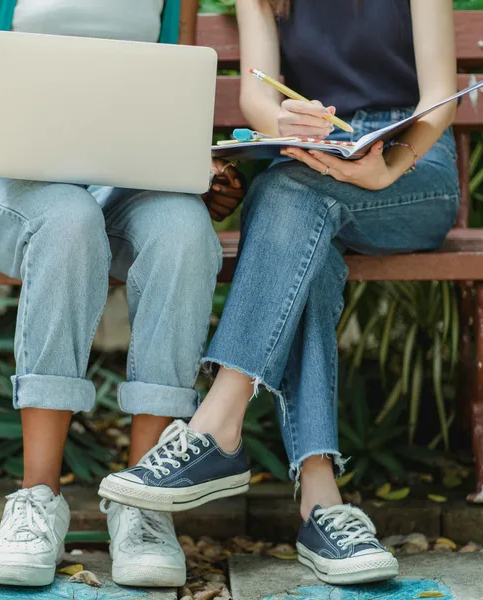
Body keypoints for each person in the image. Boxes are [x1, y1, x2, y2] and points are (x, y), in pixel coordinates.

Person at [100, 0, 460, 586]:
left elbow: (440, 97)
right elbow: (257, 96)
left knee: (287, 197)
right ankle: (322, 505)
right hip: (319, 155)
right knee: (299, 223)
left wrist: (387, 167)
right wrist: (283, 121)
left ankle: (217, 424)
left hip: (412, 165)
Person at [0, 0, 245, 589]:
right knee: (67, 221)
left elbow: (175, 112)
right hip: (3, 180)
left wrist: (202, 175)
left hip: (124, 181)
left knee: (186, 234)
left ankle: (145, 504)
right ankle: (36, 501)